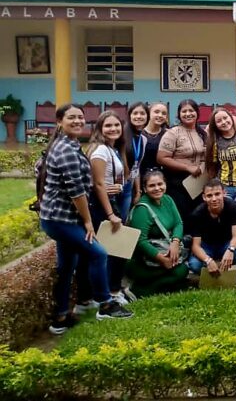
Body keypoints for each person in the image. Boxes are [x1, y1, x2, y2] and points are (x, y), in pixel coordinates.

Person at [39, 103, 133, 334]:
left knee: (66, 266)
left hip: (61, 218)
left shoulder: (69, 144)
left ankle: (60, 317)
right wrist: (88, 221)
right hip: (61, 220)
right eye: (72, 118)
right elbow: (77, 192)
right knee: (98, 253)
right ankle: (105, 304)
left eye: (81, 117)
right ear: (59, 121)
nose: (78, 121)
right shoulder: (67, 150)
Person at [86, 110, 133, 303]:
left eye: (116, 125)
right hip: (102, 207)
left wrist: (119, 186)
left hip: (112, 201)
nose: (113, 129)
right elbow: (97, 184)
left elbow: (112, 178)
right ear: (99, 129)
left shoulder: (113, 148)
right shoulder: (100, 150)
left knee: (118, 249)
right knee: (108, 251)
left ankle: (113, 290)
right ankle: (104, 295)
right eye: (108, 125)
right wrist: (110, 213)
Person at [125, 170, 189, 298]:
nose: (157, 188)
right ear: (145, 188)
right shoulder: (142, 209)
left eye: (160, 184)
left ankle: (161, 286)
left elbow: (178, 223)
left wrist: (175, 243)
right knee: (180, 272)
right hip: (143, 260)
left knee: (183, 271)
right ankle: (139, 292)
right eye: (152, 186)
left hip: (165, 248)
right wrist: (162, 259)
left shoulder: (168, 199)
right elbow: (140, 241)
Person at [157, 99, 207, 228]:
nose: (188, 114)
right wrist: (187, 167)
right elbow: (161, 158)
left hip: (198, 182)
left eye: (191, 110)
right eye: (184, 111)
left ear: (197, 113)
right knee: (182, 217)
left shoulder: (202, 133)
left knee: (198, 216)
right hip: (178, 183)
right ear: (179, 114)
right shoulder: (172, 133)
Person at [187, 179, 236, 275]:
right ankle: (214, 267)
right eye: (209, 196)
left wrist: (230, 250)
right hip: (206, 245)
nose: (214, 199)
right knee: (194, 265)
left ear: (224, 193)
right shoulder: (197, 214)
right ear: (204, 197)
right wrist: (208, 260)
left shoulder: (233, 207)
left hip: (227, 243)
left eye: (217, 194)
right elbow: (196, 246)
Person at [123, 102, 148, 213]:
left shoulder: (143, 139)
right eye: (135, 113)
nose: (139, 116)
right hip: (118, 186)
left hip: (131, 186)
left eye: (142, 113)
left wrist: (138, 191)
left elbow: (136, 167)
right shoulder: (122, 136)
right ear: (130, 116)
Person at [140, 101, 169, 177]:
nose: (160, 115)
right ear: (148, 113)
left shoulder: (168, 134)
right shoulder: (139, 134)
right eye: (156, 112)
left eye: (164, 113)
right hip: (142, 175)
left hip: (163, 177)